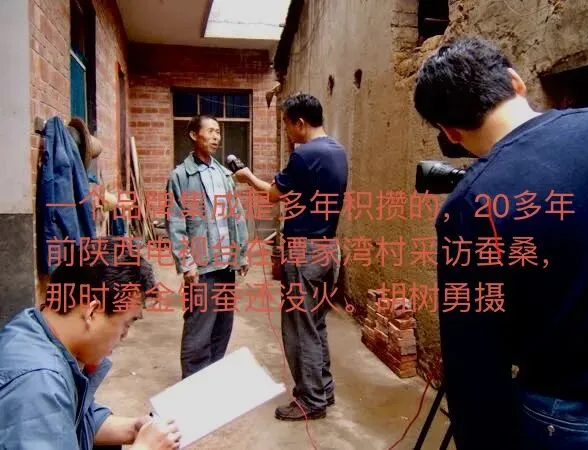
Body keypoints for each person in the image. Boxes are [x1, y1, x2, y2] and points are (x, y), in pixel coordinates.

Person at [413, 35, 588, 449]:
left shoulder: (473, 204)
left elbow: (475, 364)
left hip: (567, 414)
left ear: (450, 133)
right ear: (516, 81)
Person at [0, 240, 181, 449]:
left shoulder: (36, 328)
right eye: (126, 324)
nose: (124, 336)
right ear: (92, 312)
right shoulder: (38, 383)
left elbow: (68, 421)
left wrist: (133, 429)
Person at [234, 93, 348, 421]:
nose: (286, 131)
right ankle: (323, 389)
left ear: (300, 122)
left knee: (300, 328)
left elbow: (274, 194)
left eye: (286, 124)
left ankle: (310, 400)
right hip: (328, 248)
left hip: (304, 251)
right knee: (316, 323)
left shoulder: (304, 154)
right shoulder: (337, 151)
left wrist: (246, 177)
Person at [166, 114, 249, 379]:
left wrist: (241, 253)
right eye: (210, 131)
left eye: (218, 132)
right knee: (199, 327)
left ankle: (211, 378)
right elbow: (175, 222)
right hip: (202, 265)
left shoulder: (224, 175)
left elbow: (236, 215)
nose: (216, 137)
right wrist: (186, 263)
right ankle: (192, 383)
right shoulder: (181, 176)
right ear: (194, 135)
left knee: (222, 326)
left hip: (226, 263)